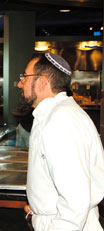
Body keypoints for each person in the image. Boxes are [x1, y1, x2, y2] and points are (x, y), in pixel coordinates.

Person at [18, 53, 104, 230]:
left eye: (24, 77)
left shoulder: (61, 120)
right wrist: (39, 205)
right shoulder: (54, 114)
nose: (20, 83)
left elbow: (75, 199)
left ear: (42, 82)